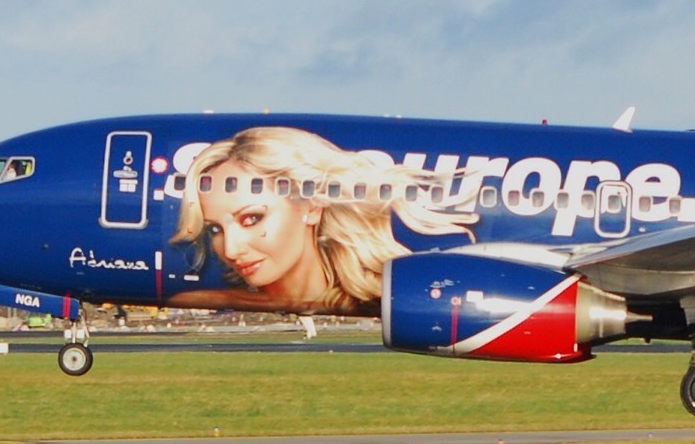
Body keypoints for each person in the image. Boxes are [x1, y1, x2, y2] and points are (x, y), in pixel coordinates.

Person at [169, 126, 476, 314]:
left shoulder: (380, 297)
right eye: (215, 229)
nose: (232, 250)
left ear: (312, 206)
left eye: (252, 218)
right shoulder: (201, 299)